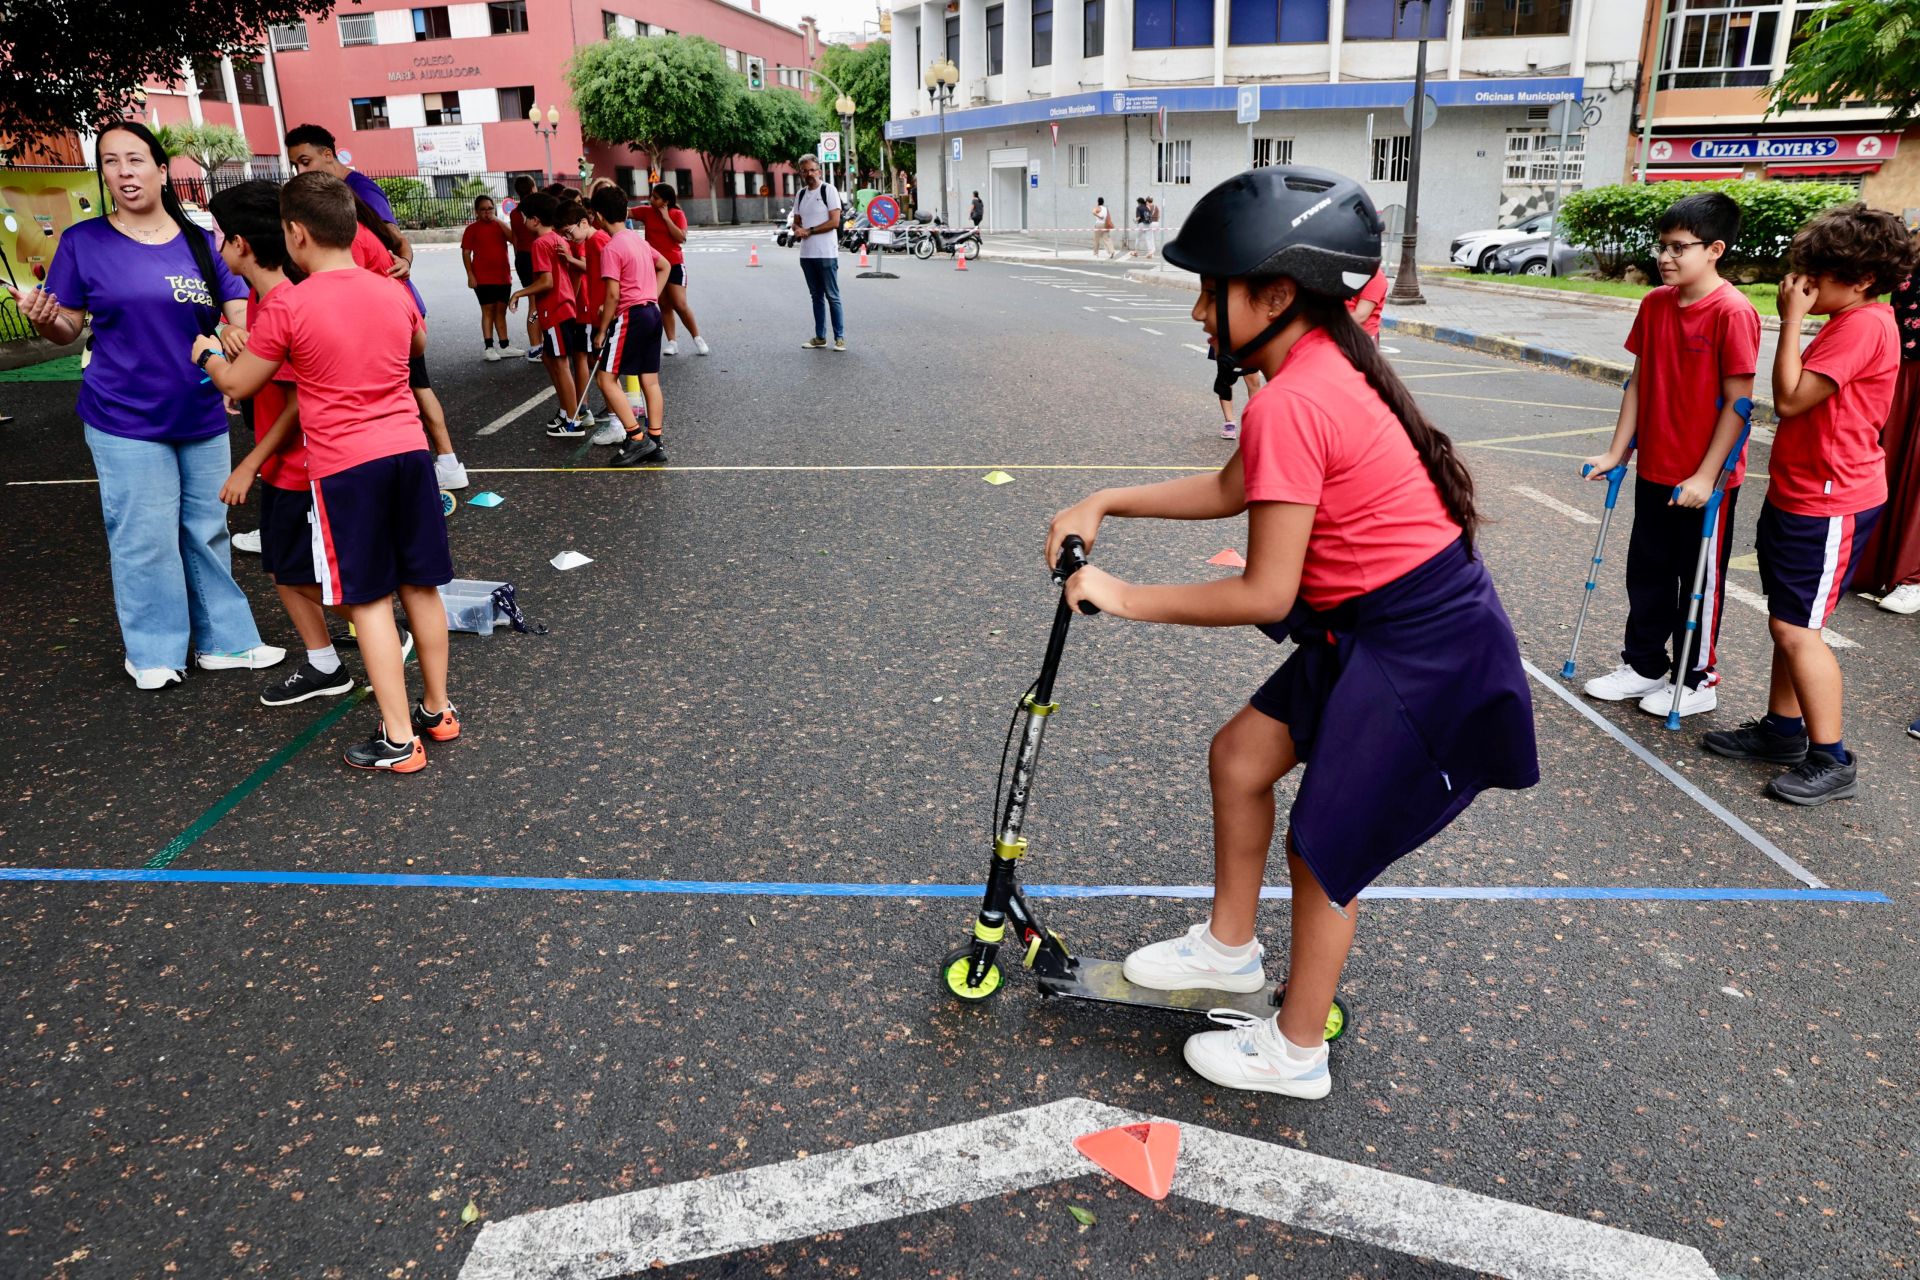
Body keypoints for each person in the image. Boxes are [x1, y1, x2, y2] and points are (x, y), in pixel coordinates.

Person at [1045, 166, 1537, 1098]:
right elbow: (1237, 488)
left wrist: (1123, 593)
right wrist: (1107, 500)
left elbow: (1268, 594)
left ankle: (1295, 1050)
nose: (1197, 313)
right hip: (1371, 627)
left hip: (1418, 646)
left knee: (1325, 846)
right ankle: (1230, 950)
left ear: (1275, 294)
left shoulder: (1295, 395)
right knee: (1240, 758)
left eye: (1209, 289)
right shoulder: (1309, 369)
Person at [198, 172, 458, 773]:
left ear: (295, 235)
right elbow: (416, 348)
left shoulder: (289, 302)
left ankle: (398, 740)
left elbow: (239, 383)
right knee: (421, 586)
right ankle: (437, 712)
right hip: (409, 453)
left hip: (348, 466)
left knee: (366, 598)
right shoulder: (389, 290)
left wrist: (207, 353)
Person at [15, 120, 283, 689]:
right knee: (143, 534)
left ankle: (226, 642)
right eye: (111, 162)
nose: (124, 172)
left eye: (135, 160)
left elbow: (236, 312)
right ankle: (154, 653)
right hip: (122, 414)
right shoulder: (83, 243)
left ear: (162, 170)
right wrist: (47, 318)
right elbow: (69, 329)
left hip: (201, 408)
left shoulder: (200, 238)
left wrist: (235, 348)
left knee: (206, 527)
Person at [1701, 203, 1918, 804]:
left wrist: (1790, 320)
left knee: (1797, 629)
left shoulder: (1865, 325)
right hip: (1802, 492)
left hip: (1832, 500)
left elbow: (1791, 399)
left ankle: (1832, 759)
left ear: (1864, 279)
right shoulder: (1850, 317)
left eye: (1818, 275)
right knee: (1789, 619)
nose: (1803, 284)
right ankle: (1782, 731)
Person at [1580, 193, 1760, 720]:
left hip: (1706, 480)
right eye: (1663, 246)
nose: (1666, 257)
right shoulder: (1656, 303)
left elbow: (1740, 402)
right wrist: (1618, 451)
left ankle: (1696, 678)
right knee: (1648, 572)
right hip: (1655, 467)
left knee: (1697, 581)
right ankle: (1644, 665)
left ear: (1715, 250)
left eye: (1680, 247)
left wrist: (1707, 475)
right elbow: (1639, 382)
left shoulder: (1732, 311)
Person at [207, 182, 361, 707]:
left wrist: (208, 357)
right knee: (284, 570)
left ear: (241, 244)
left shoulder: (285, 305)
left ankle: (381, 630)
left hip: (298, 466)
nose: (215, 245)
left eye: (218, 235)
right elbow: (271, 383)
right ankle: (327, 662)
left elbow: (299, 401)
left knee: (301, 574)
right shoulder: (263, 300)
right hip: (284, 466)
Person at [284, 123, 469, 491]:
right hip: (391, 310)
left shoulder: (360, 195)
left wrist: (404, 262)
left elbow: (396, 240)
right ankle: (439, 465)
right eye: (296, 166)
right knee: (407, 389)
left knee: (408, 388)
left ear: (328, 154)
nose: (302, 171)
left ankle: (442, 464)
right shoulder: (345, 205)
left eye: (306, 162)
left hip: (389, 313)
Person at [589, 186, 672, 468]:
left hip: (631, 316)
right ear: (625, 212)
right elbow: (666, 266)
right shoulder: (638, 241)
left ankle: (636, 439)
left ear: (598, 216)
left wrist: (601, 330)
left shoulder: (612, 247)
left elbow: (612, 294)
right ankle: (656, 441)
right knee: (650, 380)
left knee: (606, 378)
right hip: (652, 312)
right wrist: (650, 294)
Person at [1859, 256, 1920, 613]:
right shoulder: (1910, 260)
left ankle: (1912, 577)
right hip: (1902, 371)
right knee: (1886, 464)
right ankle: (1873, 564)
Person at [508, 193, 591, 435]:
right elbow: (570, 276)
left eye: (524, 218)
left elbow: (546, 282)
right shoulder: (557, 239)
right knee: (550, 358)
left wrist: (519, 293)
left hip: (555, 311)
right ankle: (568, 411)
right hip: (558, 310)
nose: (521, 222)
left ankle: (572, 419)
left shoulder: (539, 244)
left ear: (535, 220)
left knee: (561, 364)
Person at [635, 183, 707, 357]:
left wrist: (666, 217)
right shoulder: (646, 212)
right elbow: (625, 212)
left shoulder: (677, 214)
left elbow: (681, 237)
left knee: (679, 303)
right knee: (663, 304)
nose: (651, 199)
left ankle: (697, 338)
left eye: (656, 197)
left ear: (666, 201)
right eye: (652, 196)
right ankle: (672, 342)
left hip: (674, 264)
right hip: (654, 266)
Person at [790, 154, 845, 352]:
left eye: (812, 170)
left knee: (832, 295)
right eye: (805, 171)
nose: (809, 174)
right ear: (801, 173)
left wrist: (809, 230)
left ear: (819, 171)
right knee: (816, 296)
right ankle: (820, 337)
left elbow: (834, 222)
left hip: (826, 253)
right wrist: (796, 228)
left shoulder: (828, 190)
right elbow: (796, 220)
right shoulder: (801, 194)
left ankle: (839, 338)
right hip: (807, 254)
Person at [461, 195, 517, 361]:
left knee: (501, 310)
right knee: (488, 310)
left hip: (502, 276)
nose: (487, 212)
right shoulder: (472, 229)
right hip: (482, 277)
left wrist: (498, 220)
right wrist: (470, 275)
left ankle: (505, 345)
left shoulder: (500, 226)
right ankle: (489, 347)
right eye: (483, 209)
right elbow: (466, 252)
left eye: (490, 208)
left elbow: (513, 239)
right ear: (477, 212)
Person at [507, 175, 543, 362]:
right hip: (535, 256)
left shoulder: (514, 213)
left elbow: (514, 238)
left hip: (522, 257)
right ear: (532, 188)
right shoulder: (536, 209)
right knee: (537, 303)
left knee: (534, 301)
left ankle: (538, 345)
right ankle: (536, 347)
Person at [1345, 264, 1388, 340]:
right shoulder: (1349, 270)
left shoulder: (1375, 276)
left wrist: (1329, 324)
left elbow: (1360, 316)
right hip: (1343, 332)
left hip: (1360, 337)